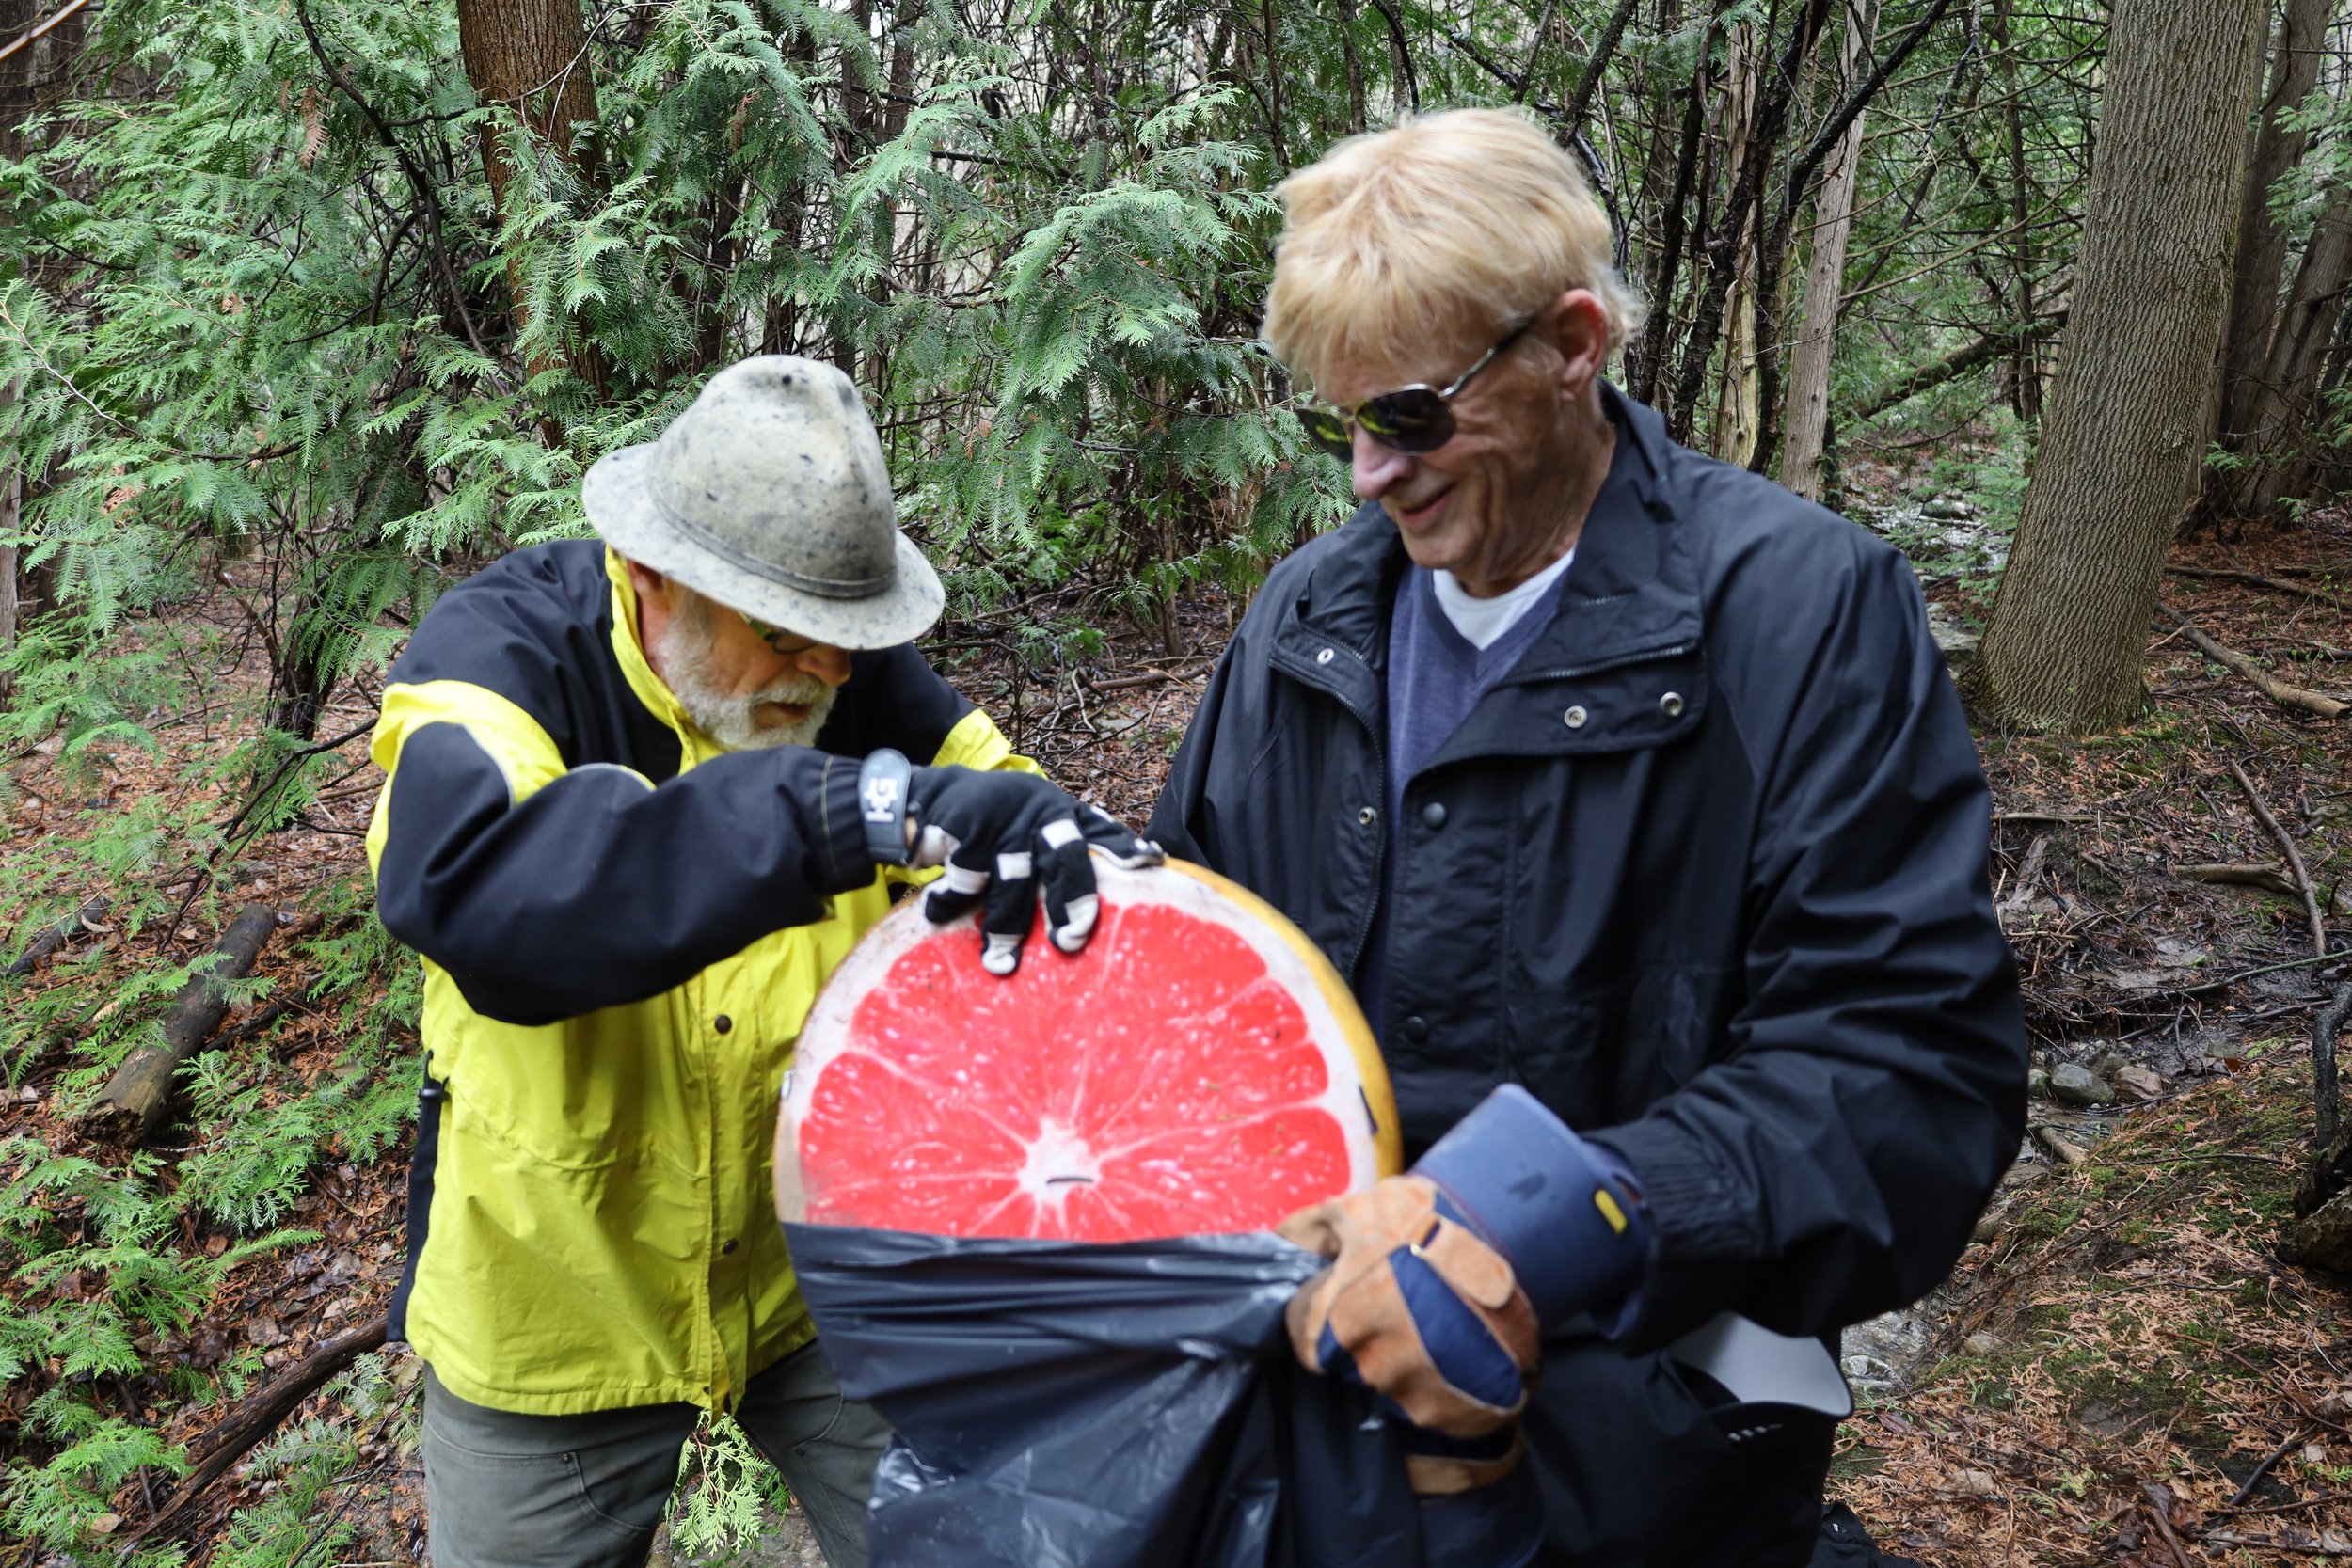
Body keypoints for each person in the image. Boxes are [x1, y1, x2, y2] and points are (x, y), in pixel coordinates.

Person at [1147, 109, 2026, 1567]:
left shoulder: (1800, 615)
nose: (1373, 473)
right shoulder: (1306, 622)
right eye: (1345, 421)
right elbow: (1205, 970)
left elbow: (1906, 1075)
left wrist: (1548, 1223)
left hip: (1642, 1442)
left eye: (1412, 417)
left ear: (1570, 345)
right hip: (1307, 1411)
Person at [366, 355, 1154, 1568]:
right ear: (653, 579)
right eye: (789, 637)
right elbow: (482, 900)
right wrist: (842, 816)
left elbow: (1017, 809)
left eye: (849, 643)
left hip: (819, 1276)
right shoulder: (500, 662)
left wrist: (1103, 875)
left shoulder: (846, 673)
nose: (828, 676)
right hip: (553, 1303)